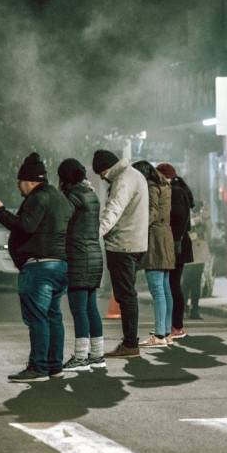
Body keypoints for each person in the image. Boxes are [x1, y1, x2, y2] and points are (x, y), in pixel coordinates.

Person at [0, 153, 72, 382]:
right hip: (59, 265)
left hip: (39, 267)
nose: (18, 187)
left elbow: (26, 225)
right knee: (53, 316)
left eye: (20, 182)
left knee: (37, 318)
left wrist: (0, 212)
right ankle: (54, 366)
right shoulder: (59, 198)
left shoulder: (37, 198)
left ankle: (38, 367)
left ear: (30, 181)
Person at [93, 149, 149, 358]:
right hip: (136, 243)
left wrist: (94, 234)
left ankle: (130, 343)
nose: (102, 178)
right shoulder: (135, 175)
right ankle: (130, 342)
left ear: (107, 169)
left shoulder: (123, 180)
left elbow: (113, 210)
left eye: (101, 174)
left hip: (123, 245)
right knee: (127, 295)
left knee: (126, 296)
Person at [57, 159, 106, 372]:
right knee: (91, 308)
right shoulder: (91, 194)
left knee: (79, 310)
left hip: (78, 257)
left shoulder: (72, 196)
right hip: (94, 255)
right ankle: (97, 355)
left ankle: (80, 358)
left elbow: (61, 222)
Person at [133, 161, 175, 348]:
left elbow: (153, 212)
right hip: (165, 236)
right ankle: (165, 332)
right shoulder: (164, 185)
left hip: (155, 239)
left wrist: (138, 227)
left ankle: (159, 335)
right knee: (165, 288)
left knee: (157, 289)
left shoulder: (151, 187)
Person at [156, 163, 193, 339]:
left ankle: (176, 326)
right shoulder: (178, 190)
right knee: (172, 284)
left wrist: (173, 239)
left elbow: (178, 218)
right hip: (178, 243)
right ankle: (173, 325)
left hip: (176, 244)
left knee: (173, 285)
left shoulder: (175, 192)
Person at [183, 202, 211, 319]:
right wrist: (196, 221)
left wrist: (204, 219)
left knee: (196, 283)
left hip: (199, 254)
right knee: (186, 283)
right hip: (188, 253)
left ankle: (194, 309)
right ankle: (184, 308)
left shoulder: (204, 218)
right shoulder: (186, 215)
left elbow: (209, 231)